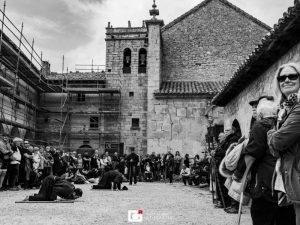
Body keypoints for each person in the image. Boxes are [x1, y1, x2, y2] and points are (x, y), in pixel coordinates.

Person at [268, 63, 300, 224]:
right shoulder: (285, 109)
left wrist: (271, 133)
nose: (286, 80)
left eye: (292, 76)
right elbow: (274, 151)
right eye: (282, 78)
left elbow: (278, 142)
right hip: (290, 174)